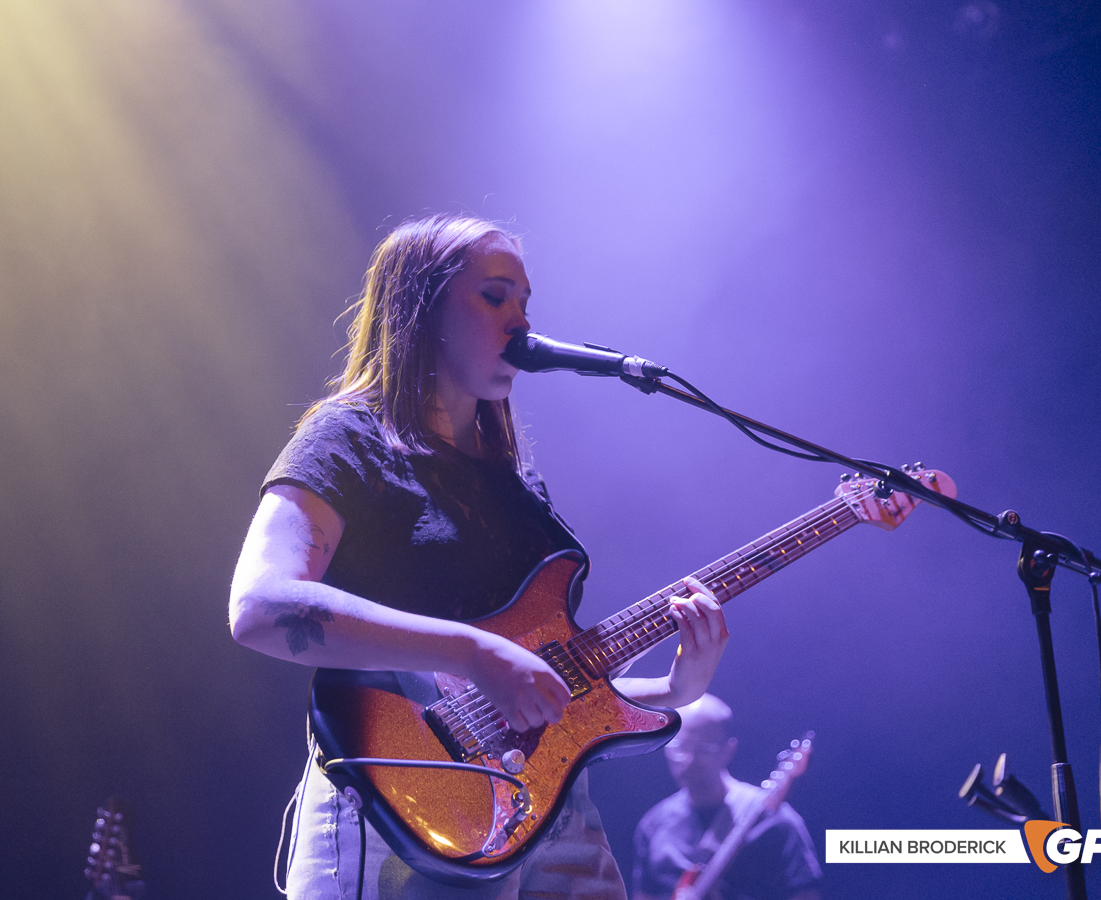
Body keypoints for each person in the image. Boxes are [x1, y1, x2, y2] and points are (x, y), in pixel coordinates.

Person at [229, 214, 730, 899]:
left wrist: (676, 691)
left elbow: (533, 688)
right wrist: (472, 652)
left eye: (525, 301)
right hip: (407, 809)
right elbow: (261, 606)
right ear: (422, 308)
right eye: (495, 296)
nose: (520, 322)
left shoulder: (516, 482)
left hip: (550, 809)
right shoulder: (347, 439)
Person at [631, 695, 821, 900]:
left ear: (728, 750)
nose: (689, 760)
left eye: (703, 749)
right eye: (679, 747)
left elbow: (806, 894)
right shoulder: (654, 824)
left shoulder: (774, 818)